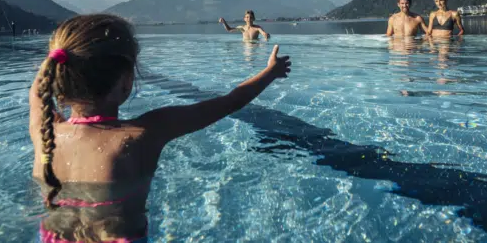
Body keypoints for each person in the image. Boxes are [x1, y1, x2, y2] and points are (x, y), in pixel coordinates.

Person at [29, 14, 291, 242]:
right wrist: (271, 72)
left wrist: (58, 56)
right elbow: (230, 102)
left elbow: (37, 94)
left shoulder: (45, 132)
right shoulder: (142, 135)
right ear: (126, 81)